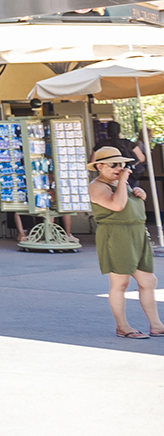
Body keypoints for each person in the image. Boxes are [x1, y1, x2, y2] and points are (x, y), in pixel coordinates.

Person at [87, 145, 163, 339]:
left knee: (148, 280)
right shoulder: (97, 186)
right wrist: (123, 182)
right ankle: (122, 326)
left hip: (136, 233)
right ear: (99, 167)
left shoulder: (121, 183)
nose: (118, 169)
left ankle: (156, 325)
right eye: (113, 165)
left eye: (121, 164)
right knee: (120, 282)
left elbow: (126, 202)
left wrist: (137, 193)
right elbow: (117, 205)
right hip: (116, 235)